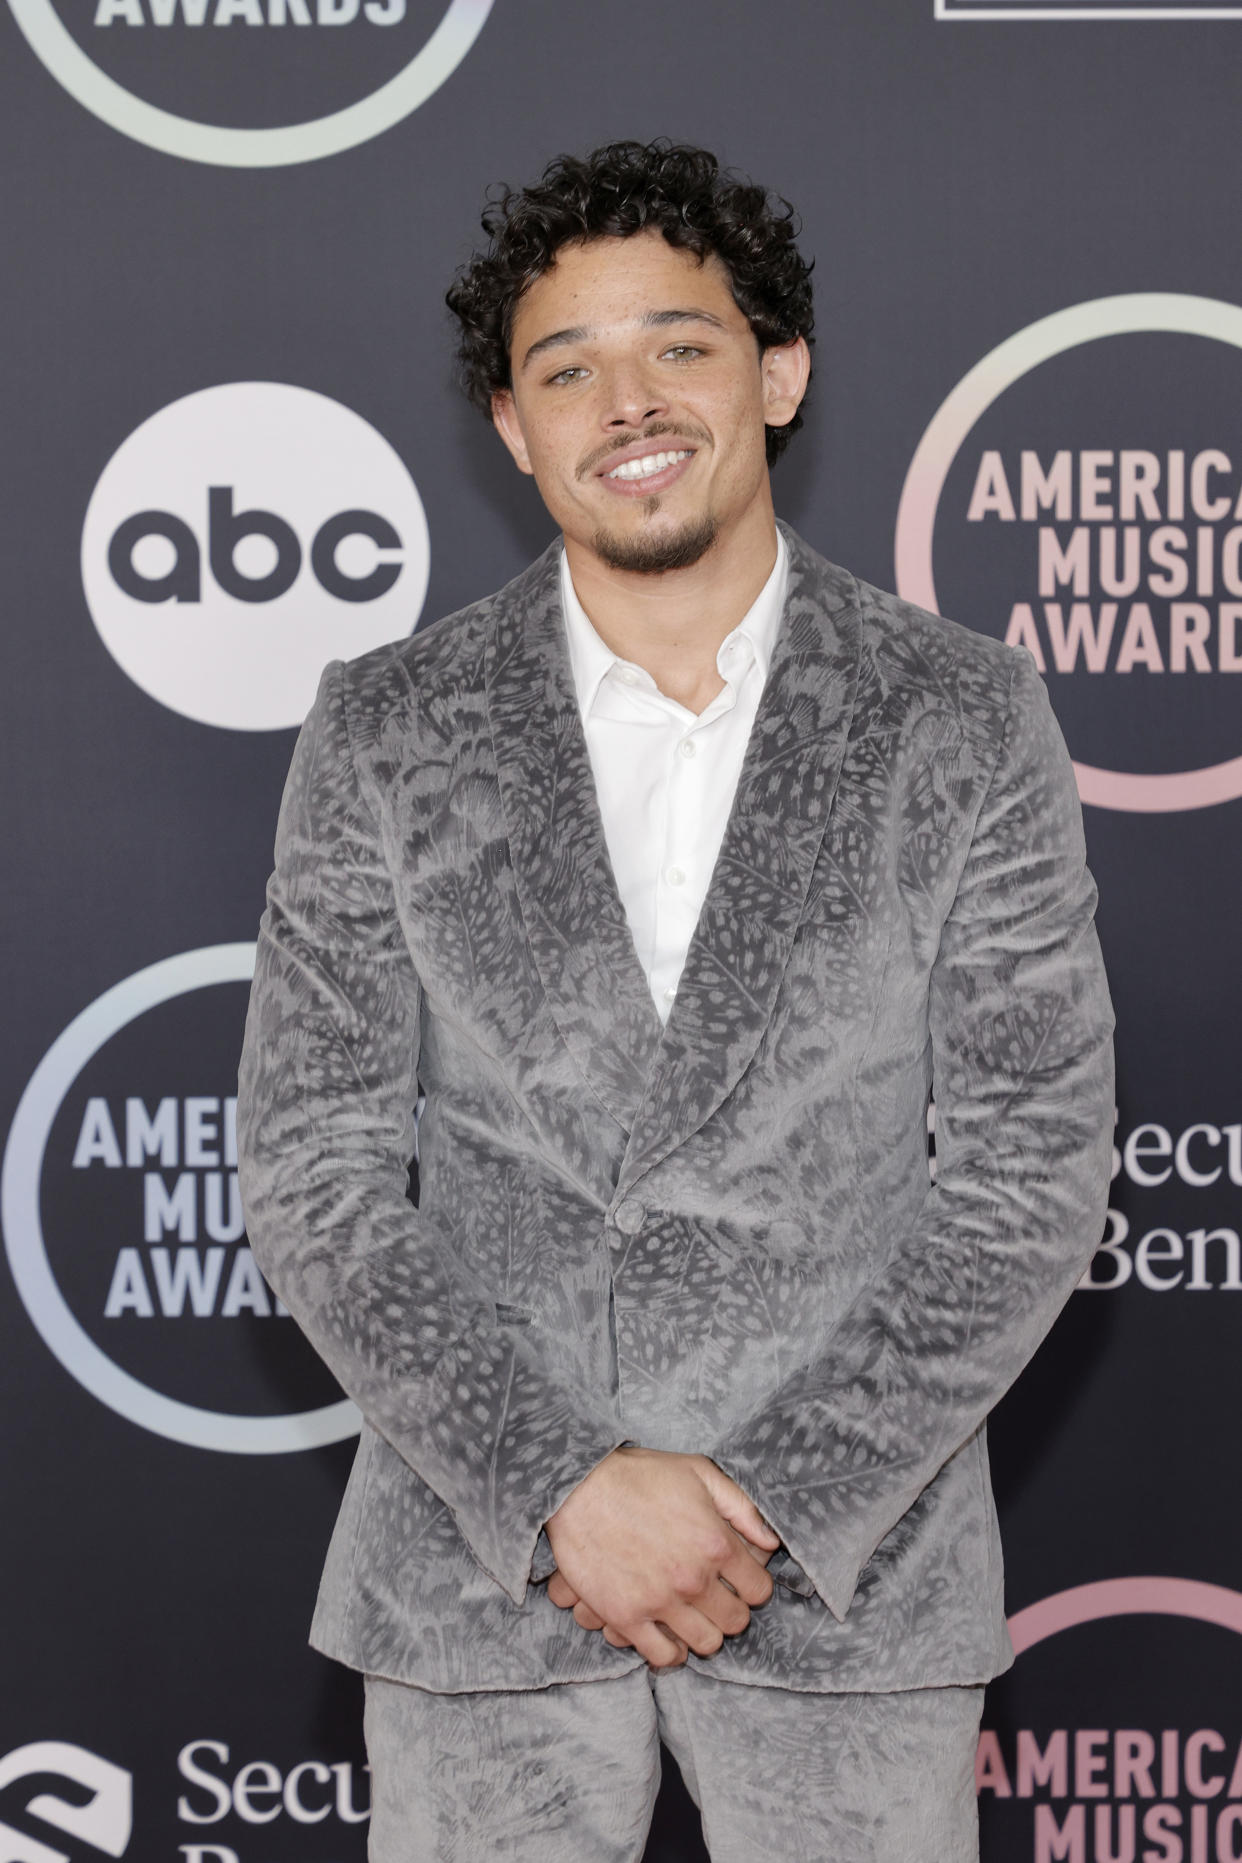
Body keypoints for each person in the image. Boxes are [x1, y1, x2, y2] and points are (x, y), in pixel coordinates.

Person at [237, 140, 1115, 1863]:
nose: (623, 402)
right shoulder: (385, 724)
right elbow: (312, 1169)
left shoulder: (959, 714)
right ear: (511, 425)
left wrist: (766, 1503)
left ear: (776, 373)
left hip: (851, 1590)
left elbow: (1028, 1165)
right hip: (483, 1589)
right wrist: (558, 1488)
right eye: (565, 368)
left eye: (678, 346)